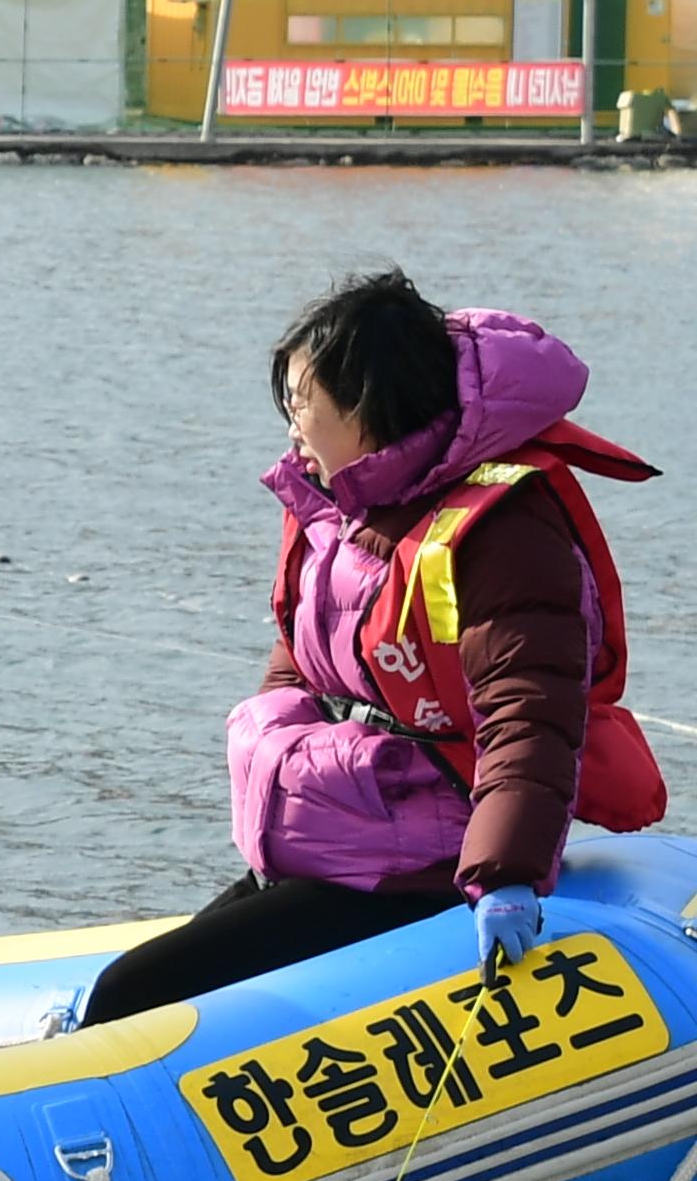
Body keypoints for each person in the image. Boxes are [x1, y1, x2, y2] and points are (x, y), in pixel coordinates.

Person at [79, 275, 667, 1026]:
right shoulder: (342, 506)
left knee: (135, 998)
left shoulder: (504, 527)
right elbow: (303, 655)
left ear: (368, 404)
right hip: (340, 839)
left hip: (422, 868)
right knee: (128, 995)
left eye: (301, 406)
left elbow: (530, 713)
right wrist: (276, 754)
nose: (291, 430)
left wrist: (506, 874)